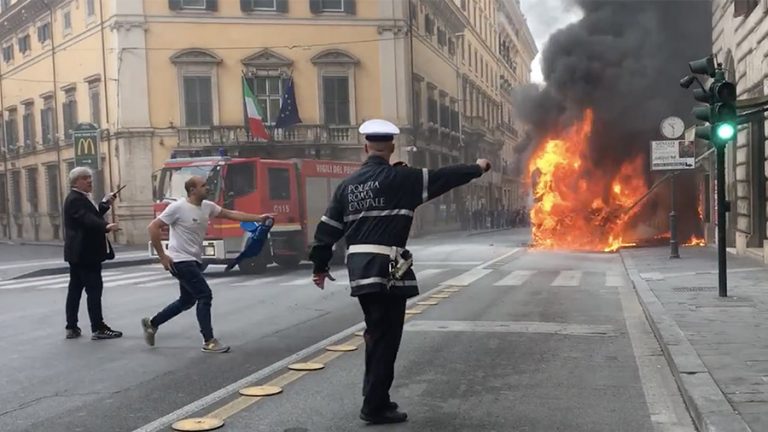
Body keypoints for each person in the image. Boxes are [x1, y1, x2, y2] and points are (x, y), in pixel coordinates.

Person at [309, 119, 492, 424]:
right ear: (391, 148)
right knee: (386, 336)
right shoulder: (402, 179)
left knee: (376, 332)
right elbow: (443, 177)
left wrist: (319, 266)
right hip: (392, 265)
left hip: (359, 267)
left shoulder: (347, 186)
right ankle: (375, 405)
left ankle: (376, 399)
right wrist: (478, 166)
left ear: (365, 147)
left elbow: (327, 230)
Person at [143, 175, 272, 353]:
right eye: (203, 185)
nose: (208, 187)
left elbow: (231, 214)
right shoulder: (178, 207)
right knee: (205, 295)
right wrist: (163, 256)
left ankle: (152, 323)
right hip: (179, 260)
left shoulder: (207, 206)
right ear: (192, 190)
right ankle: (209, 340)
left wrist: (258, 218)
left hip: (194, 260)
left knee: (187, 300)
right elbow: (153, 227)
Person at [64, 166, 123, 340]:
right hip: (85, 253)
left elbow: (91, 215)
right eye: (85, 178)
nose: (90, 180)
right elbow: (86, 219)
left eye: (90, 177)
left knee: (75, 290)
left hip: (79, 253)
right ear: (75, 182)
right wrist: (105, 226)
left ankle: (71, 327)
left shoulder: (80, 198)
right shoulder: (76, 199)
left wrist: (105, 205)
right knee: (94, 290)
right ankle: (98, 328)